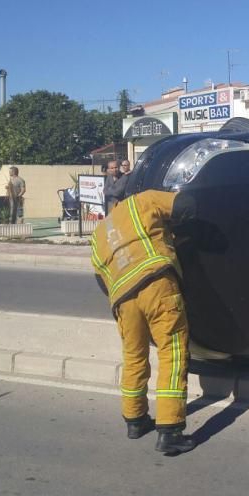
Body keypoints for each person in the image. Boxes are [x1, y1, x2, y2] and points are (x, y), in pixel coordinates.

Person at [90, 190, 196, 455]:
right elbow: (186, 204)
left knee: (134, 357)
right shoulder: (142, 200)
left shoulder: (98, 235)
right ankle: (170, 430)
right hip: (156, 282)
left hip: (122, 299)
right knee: (172, 353)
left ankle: (135, 421)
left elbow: (101, 281)